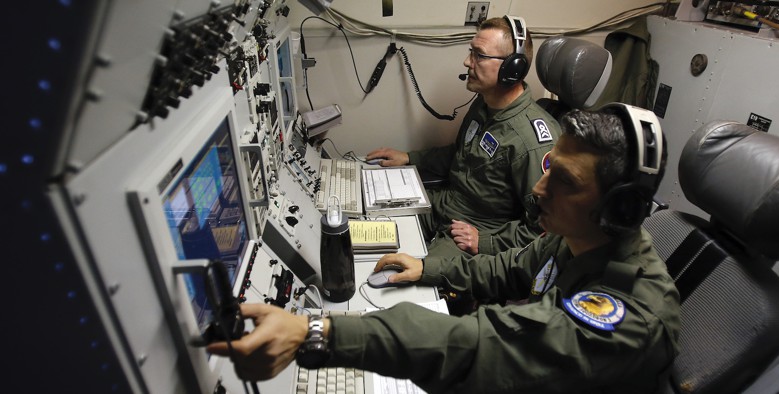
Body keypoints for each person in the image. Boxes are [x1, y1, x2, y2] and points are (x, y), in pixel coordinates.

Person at [208, 105, 681, 393]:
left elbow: (488, 345)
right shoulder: (576, 235)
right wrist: (426, 268)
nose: (539, 188)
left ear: (618, 209)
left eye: (564, 181)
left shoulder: (629, 318)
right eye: (549, 167)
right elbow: (507, 268)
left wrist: (321, 333)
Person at [366, 16, 560, 258]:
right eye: (471, 52)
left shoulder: (532, 143)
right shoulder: (483, 104)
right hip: (444, 205)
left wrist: (486, 243)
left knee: (399, 278)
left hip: (476, 232)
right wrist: (409, 157)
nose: (467, 61)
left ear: (513, 68)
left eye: (479, 55)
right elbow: (461, 154)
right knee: (367, 226)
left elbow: (544, 229)